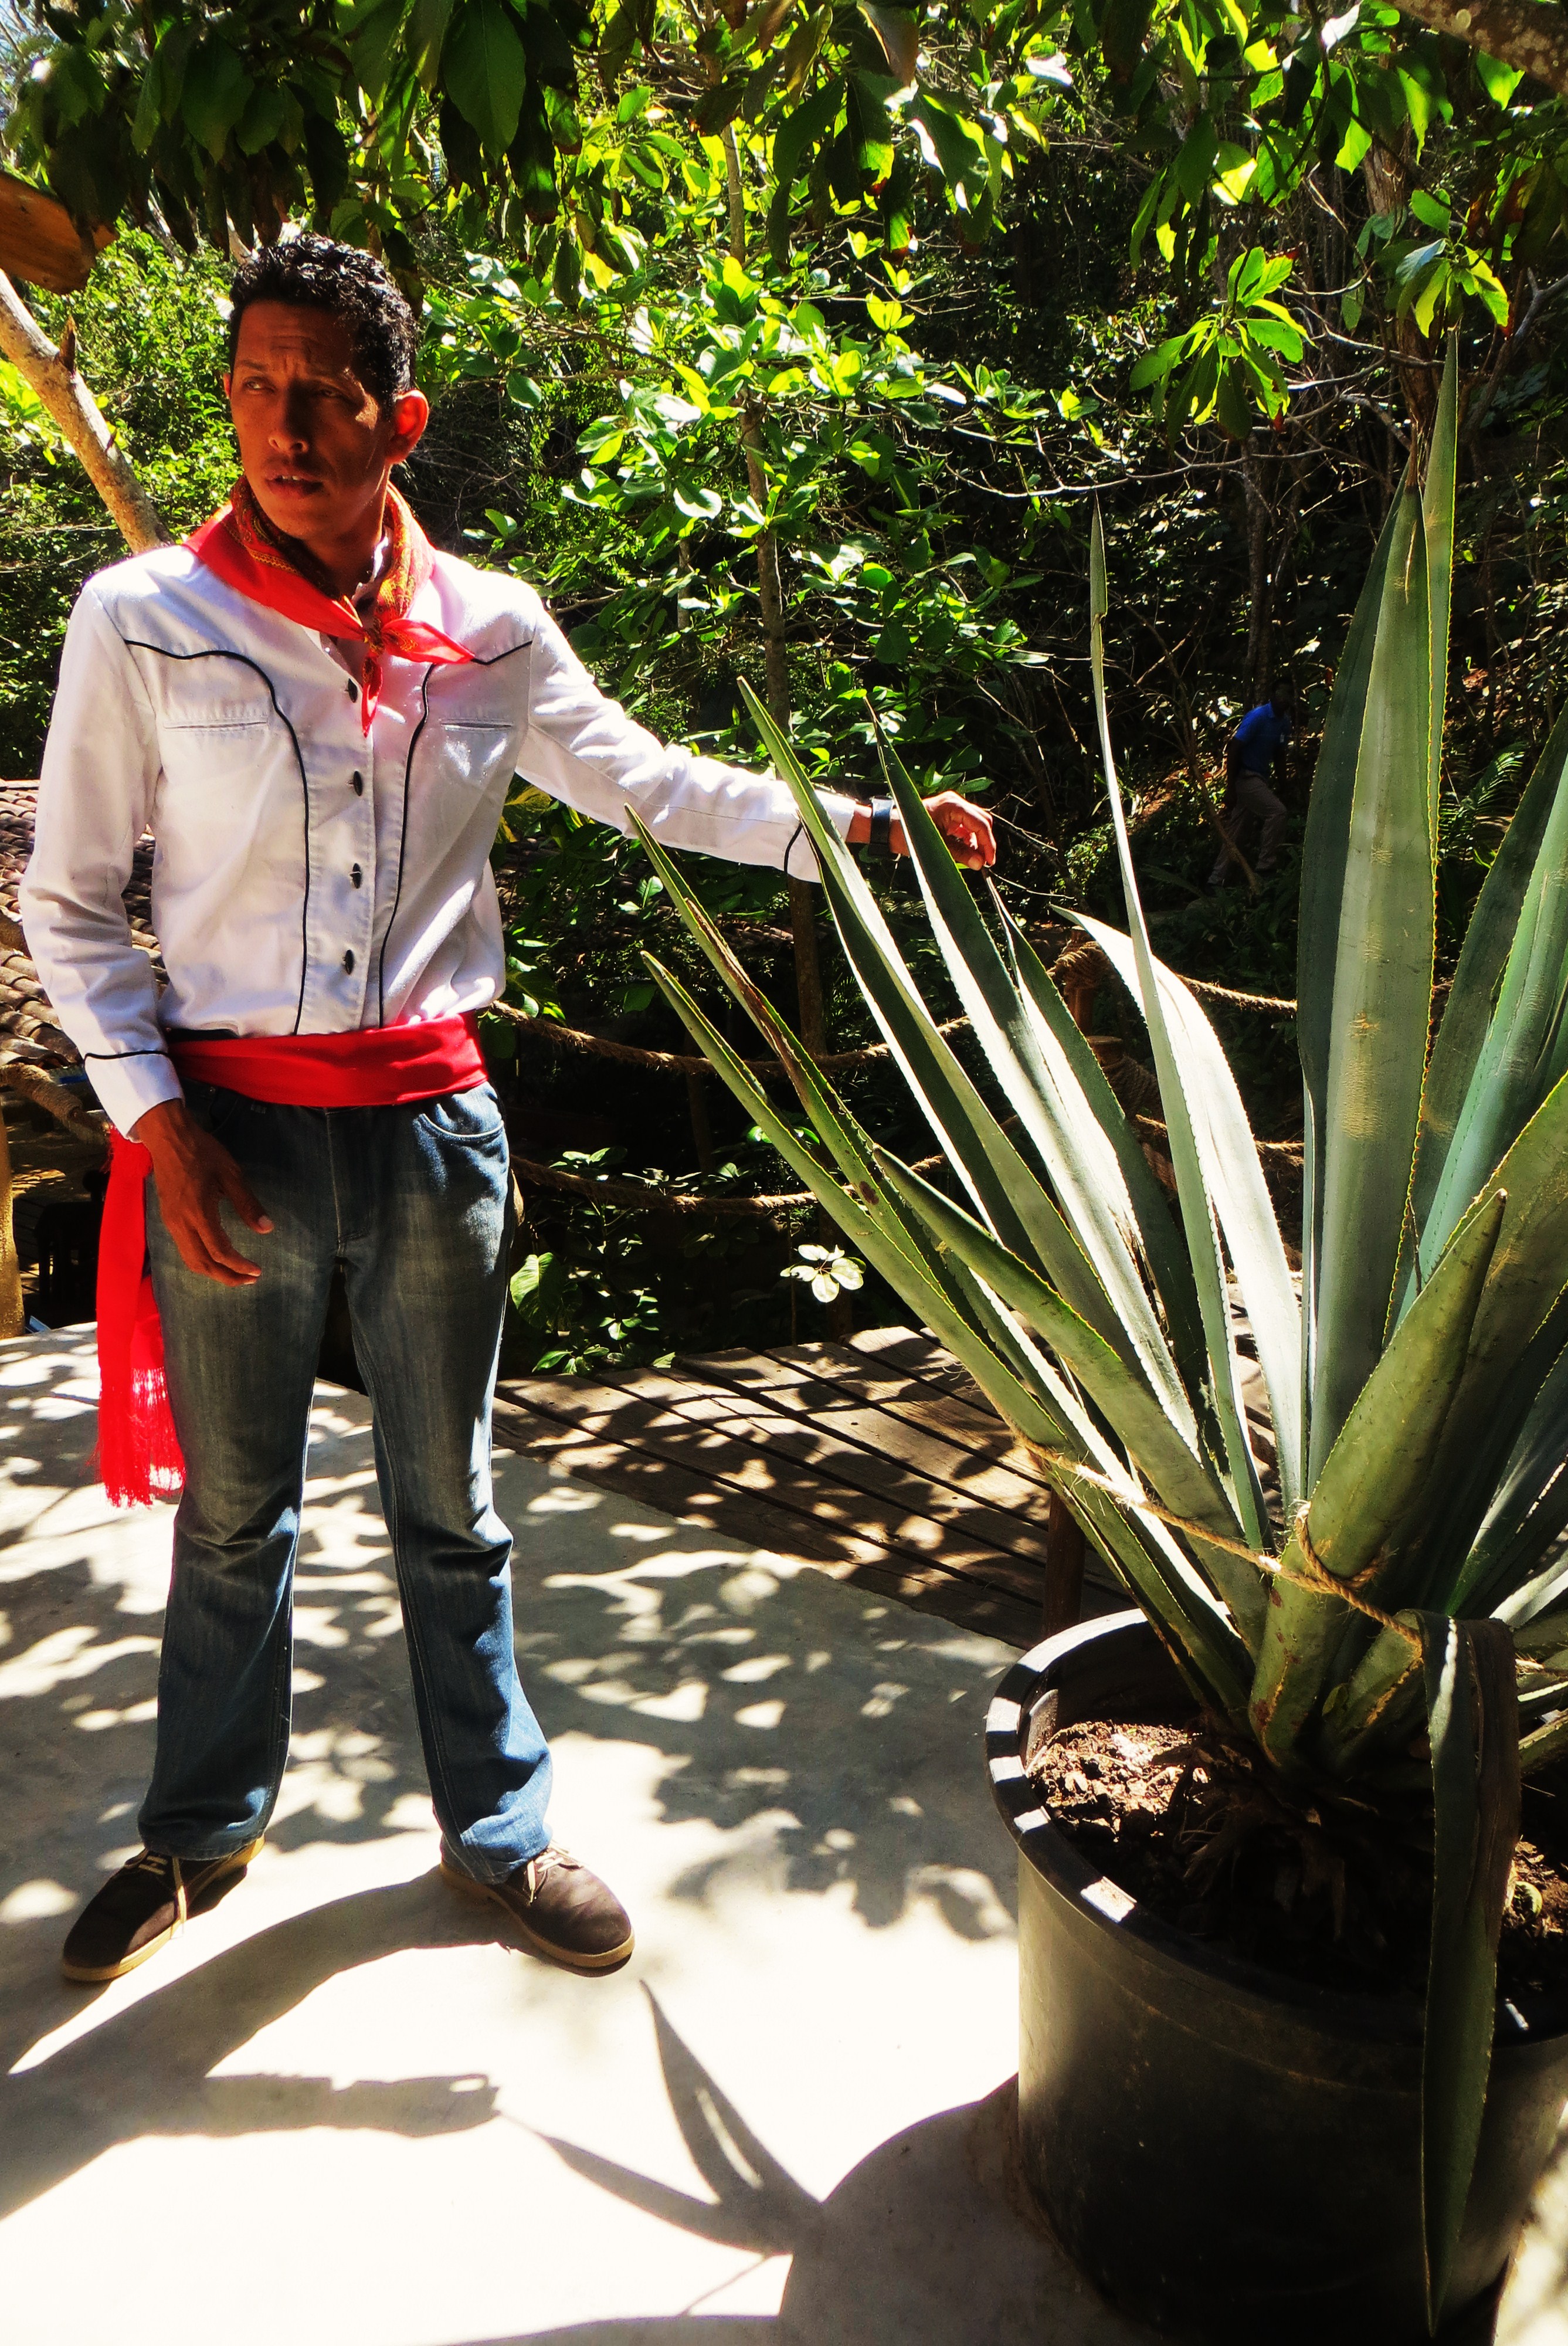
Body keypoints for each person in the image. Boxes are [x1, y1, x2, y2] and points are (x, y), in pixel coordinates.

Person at [23, 234, 995, 1986]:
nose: (283, 427)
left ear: (399, 419)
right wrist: (157, 1124)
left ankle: (497, 1827)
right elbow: (74, 902)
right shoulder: (146, 619)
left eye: (325, 394)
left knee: (452, 1503)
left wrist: (857, 826)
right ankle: (199, 1828)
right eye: (254, 387)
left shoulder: (490, 629)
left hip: (433, 1133)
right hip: (230, 1134)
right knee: (234, 1514)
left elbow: (647, 782)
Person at [1207, 686, 1294, 890]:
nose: (1283, 700)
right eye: (1280, 694)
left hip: (1260, 779)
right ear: (1273, 696)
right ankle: (1266, 867)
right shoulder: (1258, 717)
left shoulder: (1284, 723)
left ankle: (1216, 880)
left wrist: (1284, 785)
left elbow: (1279, 754)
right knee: (1278, 813)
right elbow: (1234, 748)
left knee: (1237, 831)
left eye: (1288, 696)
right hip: (1246, 777)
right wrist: (1231, 787)